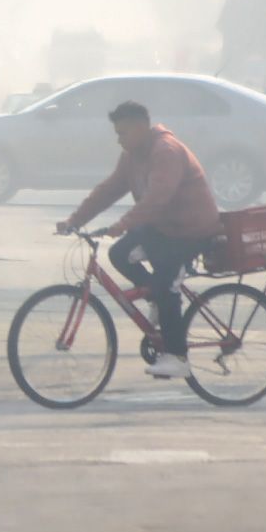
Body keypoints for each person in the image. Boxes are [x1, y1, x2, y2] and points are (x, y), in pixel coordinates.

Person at [56, 101, 221, 379]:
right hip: (164, 228)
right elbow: (108, 190)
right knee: (119, 254)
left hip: (191, 231)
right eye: (117, 134)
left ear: (142, 128)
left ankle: (177, 357)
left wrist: (123, 224)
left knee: (166, 283)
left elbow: (157, 198)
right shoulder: (132, 156)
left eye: (123, 133)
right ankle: (155, 297)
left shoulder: (165, 151)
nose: (119, 140)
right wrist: (75, 220)